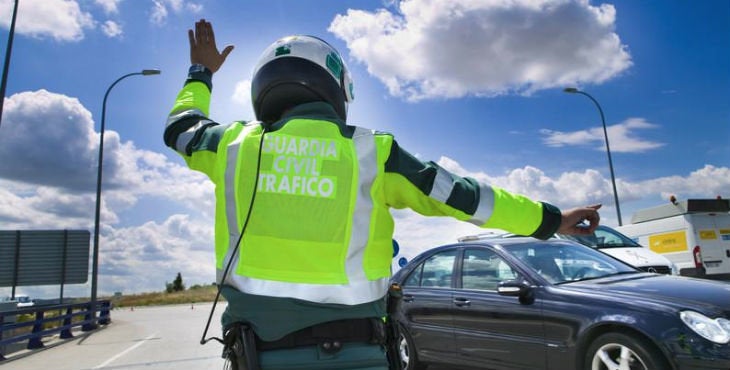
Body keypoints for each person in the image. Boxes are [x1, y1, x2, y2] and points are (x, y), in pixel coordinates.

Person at [165, 19, 601, 370]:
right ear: (336, 89)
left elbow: (181, 127)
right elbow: (465, 197)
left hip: (260, 353)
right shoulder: (373, 152)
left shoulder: (233, 146)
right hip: (360, 353)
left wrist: (200, 73)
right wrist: (550, 219)